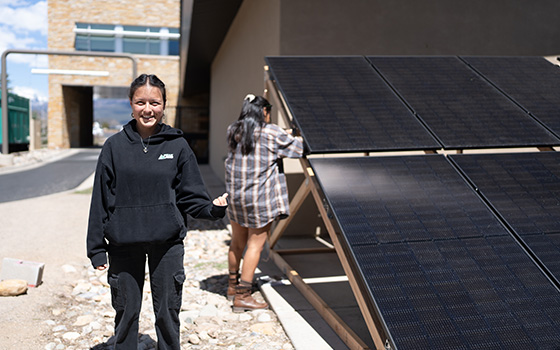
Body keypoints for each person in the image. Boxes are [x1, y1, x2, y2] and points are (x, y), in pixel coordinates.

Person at [86, 73, 228, 350]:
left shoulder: (177, 146)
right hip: (123, 244)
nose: (148, 109)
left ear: (164, 105)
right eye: (141, 102)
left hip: (167, 244)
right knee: (126, 312)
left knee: (167, 312)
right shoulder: (113, 147)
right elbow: (99, 200)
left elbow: (190, 195)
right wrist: (96, 248)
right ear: (131, 104)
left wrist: (212, 209)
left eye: (155, 102)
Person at [225, 94, 304, 312]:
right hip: (260, 200)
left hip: (237, 198)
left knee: (237, 242)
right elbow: (299, 149)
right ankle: (243, 296)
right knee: (255, 245)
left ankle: (232, 286)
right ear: (264, 112)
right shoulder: (271, 132)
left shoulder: (234, 130)